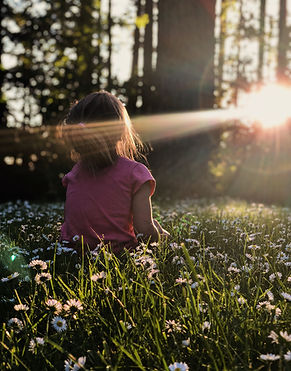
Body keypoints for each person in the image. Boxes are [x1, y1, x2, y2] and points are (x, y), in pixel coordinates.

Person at [60, 90, 169, 254]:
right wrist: (161, 237)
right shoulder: (135, 173)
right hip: (119, 255)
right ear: (120, 132)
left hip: (73, 253)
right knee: (156, 228)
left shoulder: (73, 175)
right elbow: (144, 231)